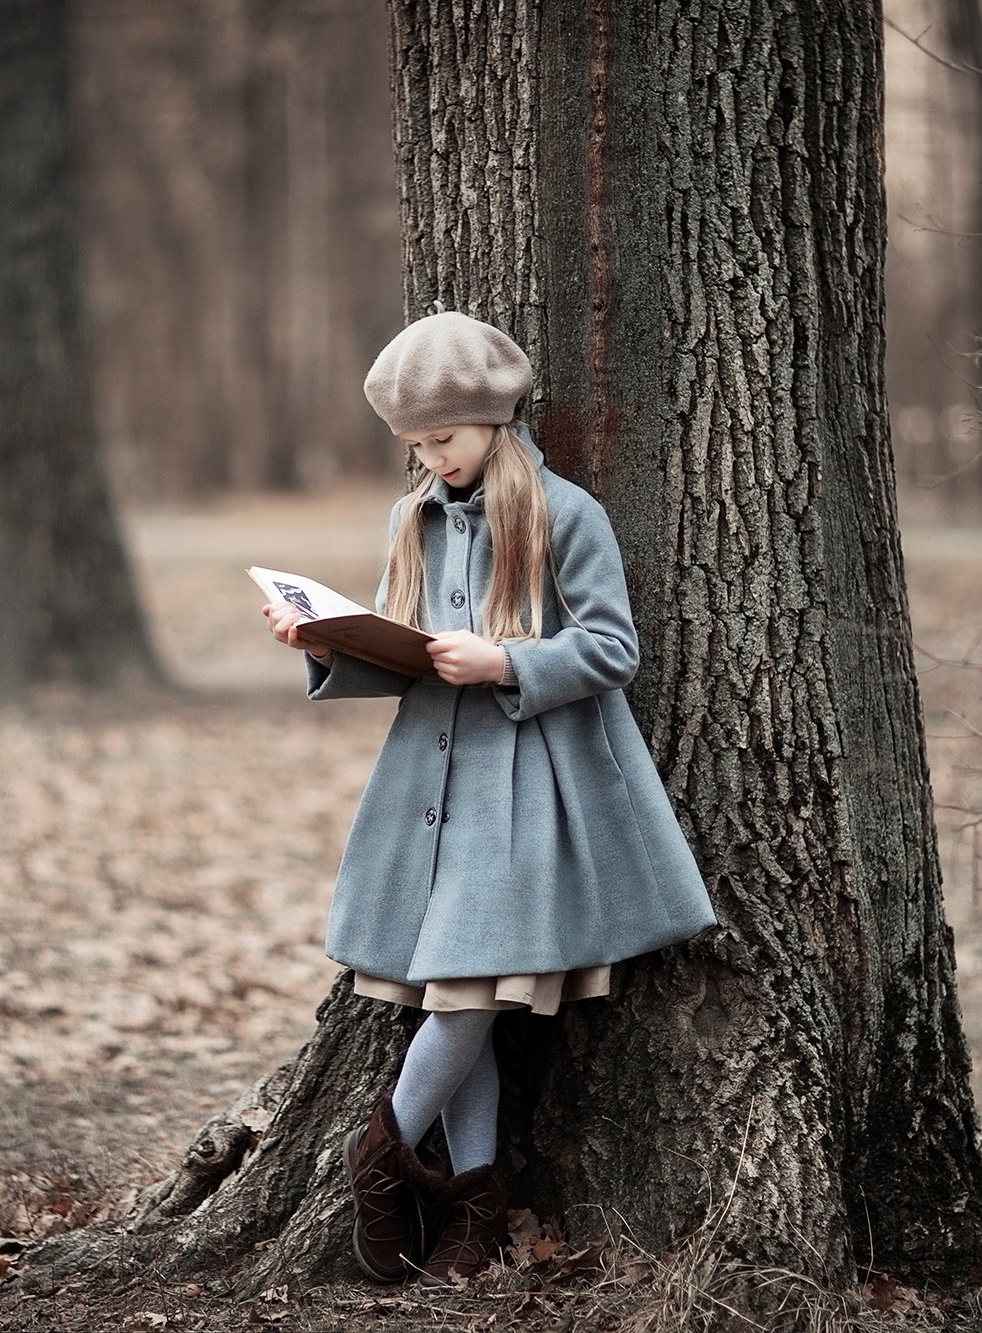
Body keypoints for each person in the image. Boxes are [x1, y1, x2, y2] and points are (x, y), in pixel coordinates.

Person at [261, 311, 717, 1286]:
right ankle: (473, 1206)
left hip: (528, 792)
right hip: (429, 790)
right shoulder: (412, 518)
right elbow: (407, 658)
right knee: (457, 993)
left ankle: (377, 1154)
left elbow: (611, 649)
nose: (431, 460)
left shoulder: (564, 514)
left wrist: (506, 658)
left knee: (467, 993)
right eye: (415, 446)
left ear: (492, 423)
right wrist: (327, 640)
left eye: (444, 440)